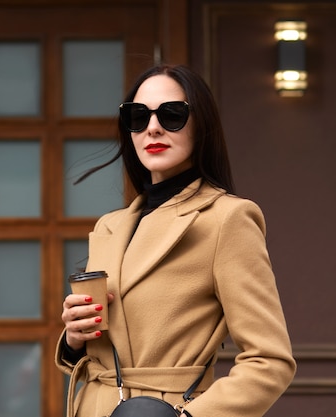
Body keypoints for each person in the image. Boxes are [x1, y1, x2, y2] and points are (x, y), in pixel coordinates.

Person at [55, 64, 296, 417]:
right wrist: (74, 338)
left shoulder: (226, 219)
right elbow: (107, 347)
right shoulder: (111, 226)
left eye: (171, 115)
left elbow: (270, 360)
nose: (152, 127)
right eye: (137, 116)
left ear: (202, 125)